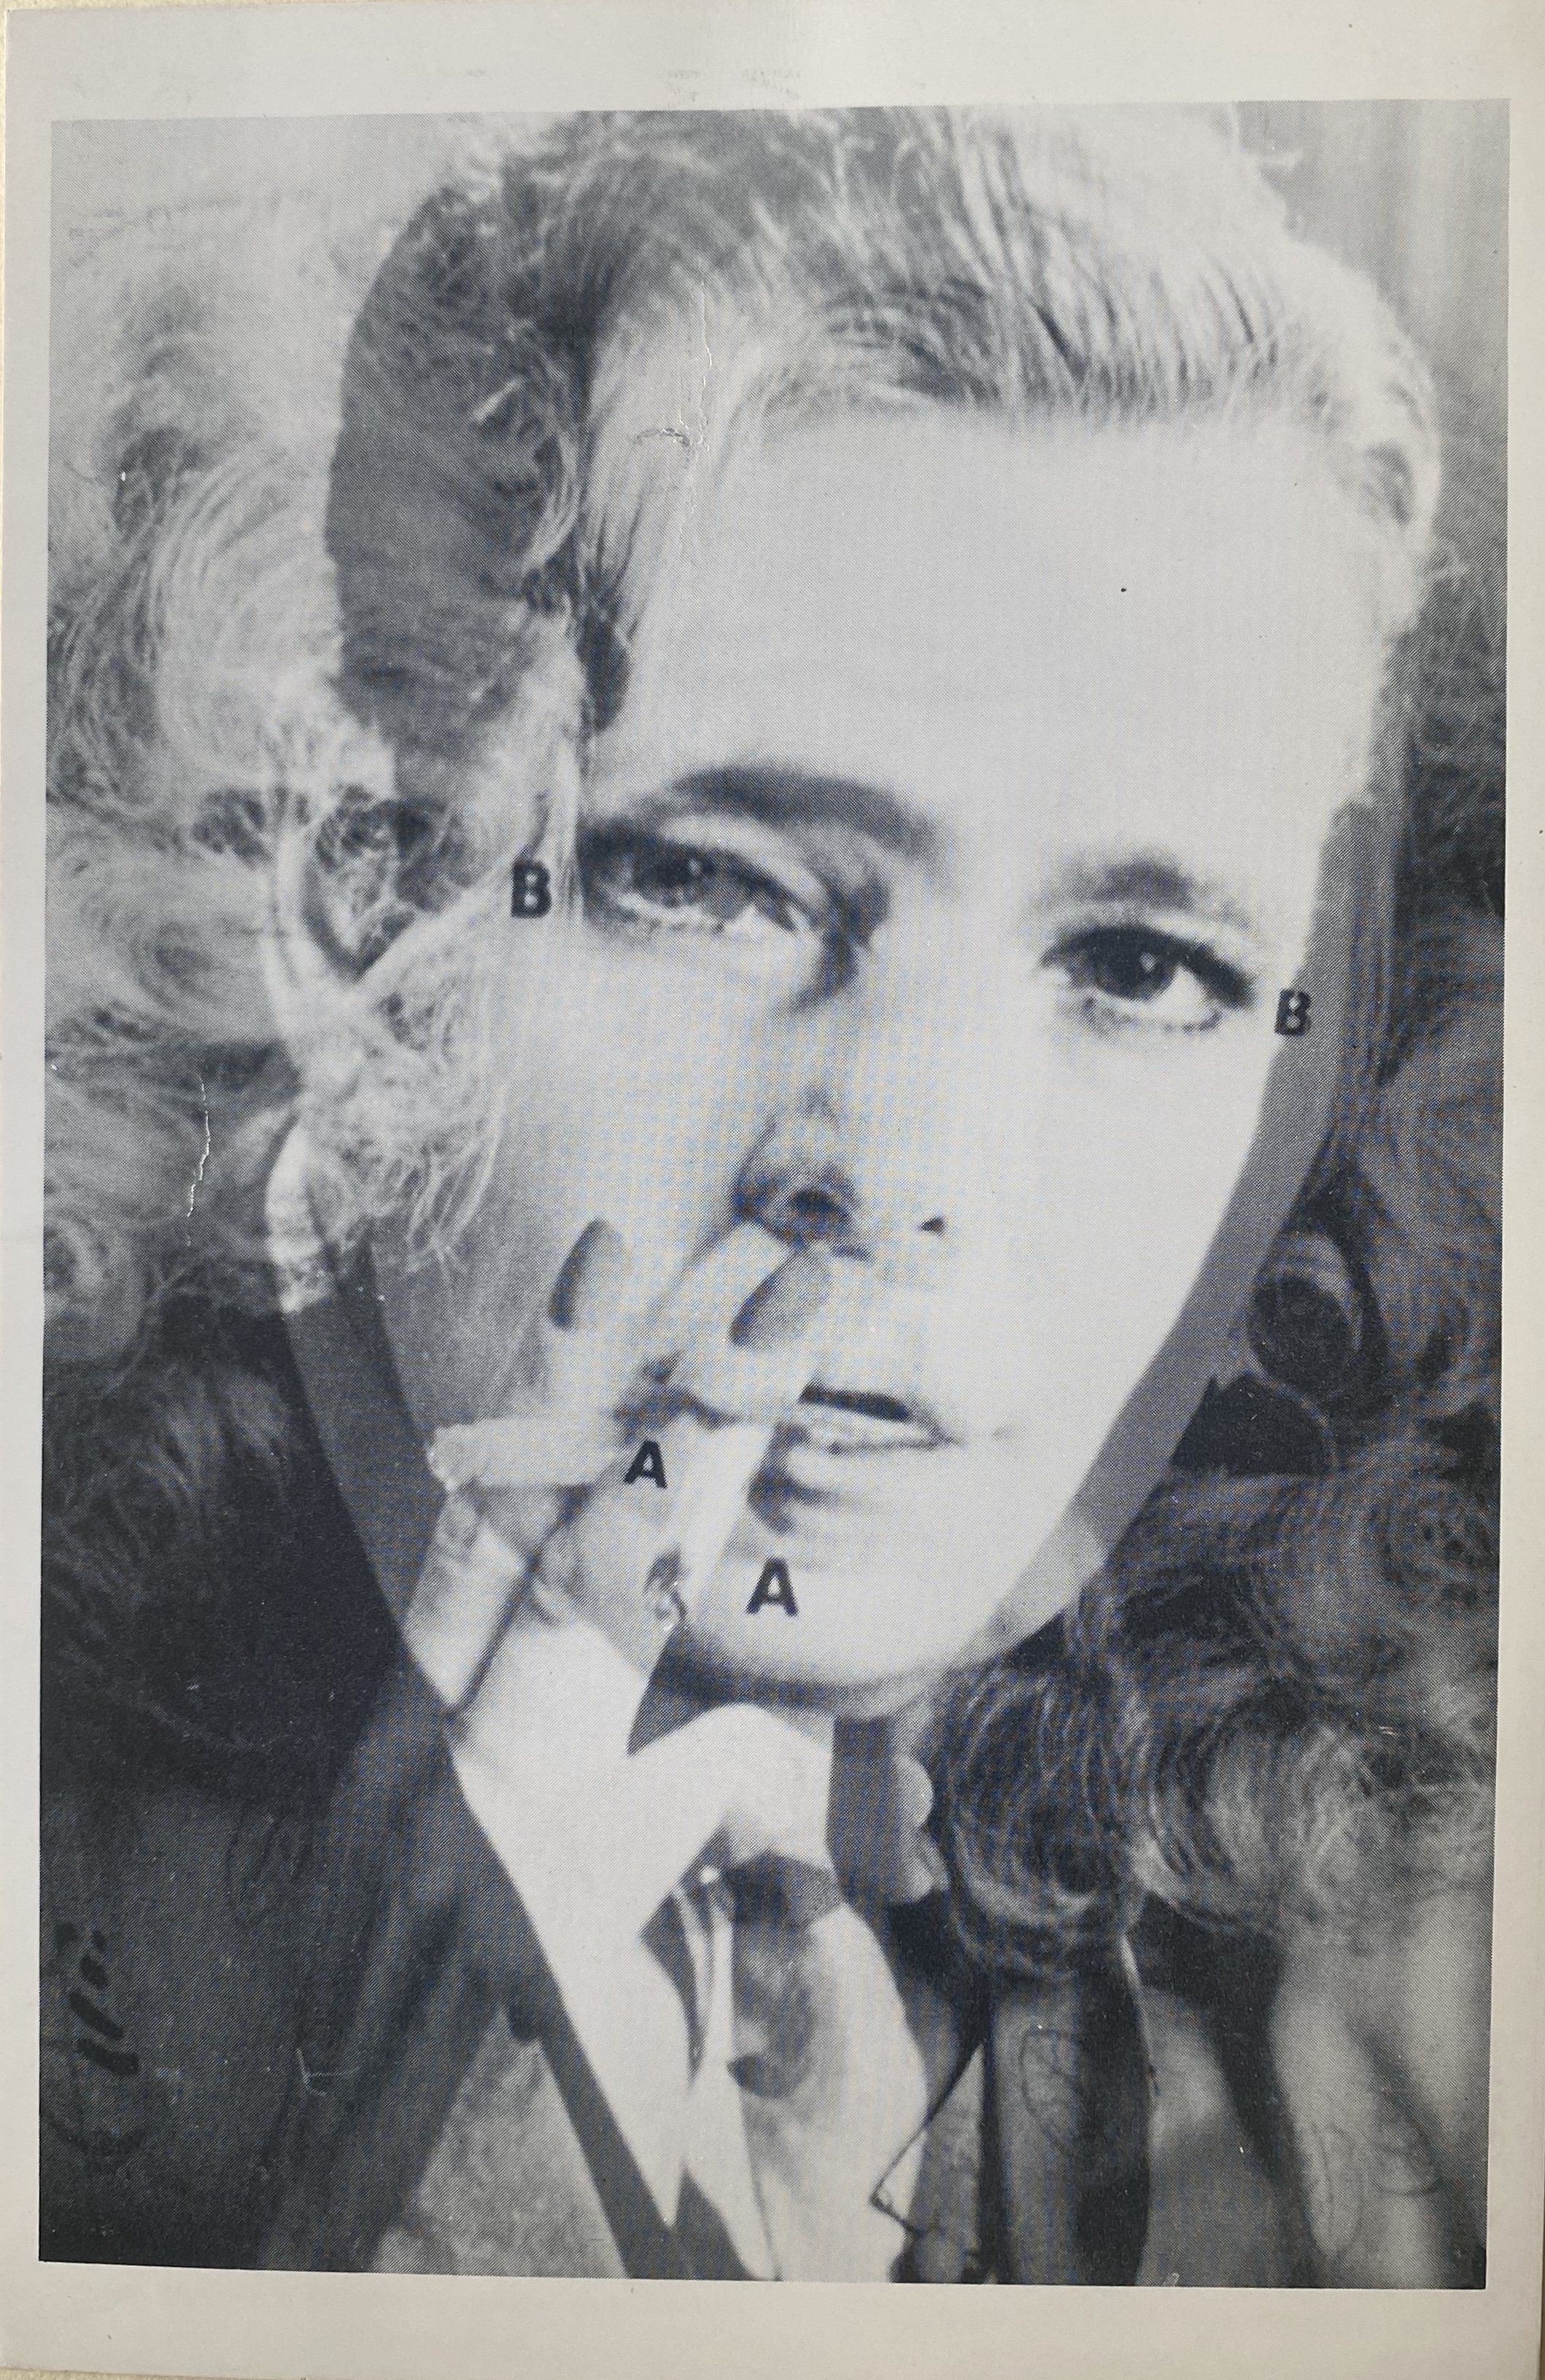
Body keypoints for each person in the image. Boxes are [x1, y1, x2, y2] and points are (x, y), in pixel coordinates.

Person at [41, 106, 1501, 2284]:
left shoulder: (1388, 2108)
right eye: (718, 886)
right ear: (357, 903)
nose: (906, 1174)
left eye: (1144, 968)